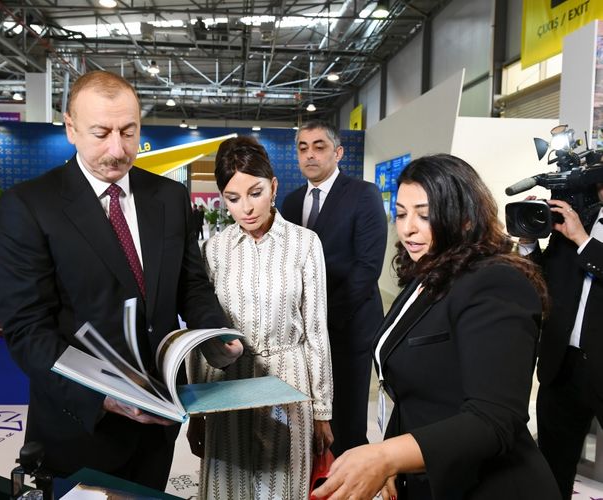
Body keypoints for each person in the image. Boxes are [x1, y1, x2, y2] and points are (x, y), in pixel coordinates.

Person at [0, 70, 242, 490]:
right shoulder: (31, 205)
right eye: (101, 133)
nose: (117, 149)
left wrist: (215, 331)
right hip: (80, 426)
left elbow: (190, 284)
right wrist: (102, 397)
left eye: (128, 132)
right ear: (70, 128)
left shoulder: (169, 197)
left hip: (158, 422)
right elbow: (27, 330)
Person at [312, 154, 559, 500]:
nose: (408, 228)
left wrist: (386, 456)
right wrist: (397, 459)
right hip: (433, 480)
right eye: (401, 214)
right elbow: (416, 398)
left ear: (465, 218)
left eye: (424, 215)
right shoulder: (430, 273)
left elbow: (494, 419)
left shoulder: (496, 282)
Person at [187, 136, 334, 499]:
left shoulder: (305, 243)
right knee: (227, 486)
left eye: (255, 193)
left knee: (281, 487)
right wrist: (197, 411)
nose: (247, 208)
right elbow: (203, 334)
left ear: (273, 187)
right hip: (229, 384)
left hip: (289, 382)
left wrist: (322, 411)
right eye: (233, 198)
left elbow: (316, 332)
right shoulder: (215, 249)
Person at [282, 120, 387, 456]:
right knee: (310, 416)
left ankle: (351, 475)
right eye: (303, 148)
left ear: (338, 152)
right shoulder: (291, 203)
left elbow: (367, 269)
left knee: (347, 420)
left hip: (349, 326)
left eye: (319, 147)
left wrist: (321, 320)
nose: (310, 155)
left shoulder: (363, 194)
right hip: (303, 333)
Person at [518, 184, 603, 499]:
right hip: (561, 366)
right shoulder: (575, 220)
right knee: (553, 469)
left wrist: (583, 241)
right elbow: (541, 283)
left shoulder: (579, 231)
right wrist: (528, 243)